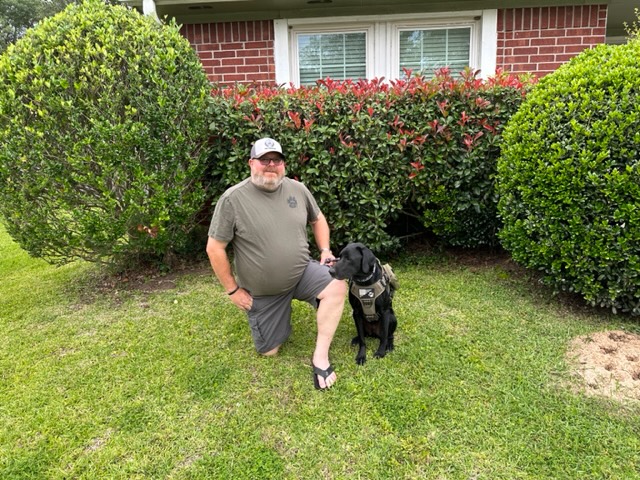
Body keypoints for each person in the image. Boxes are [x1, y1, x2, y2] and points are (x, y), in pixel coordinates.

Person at [206, 137, 347, 390]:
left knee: (336, 284)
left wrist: (325, 250)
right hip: (264, 292)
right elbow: (215, 248)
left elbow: (318, 219)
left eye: (277, 160)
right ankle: (279, 315)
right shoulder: (232, 199)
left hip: (301, 272)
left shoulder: (298, 190)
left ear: (283, 164)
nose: (271, 165)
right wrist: (232, 290)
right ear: (251, 163)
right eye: (264, 160)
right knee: (269, 351)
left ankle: (320, 356)